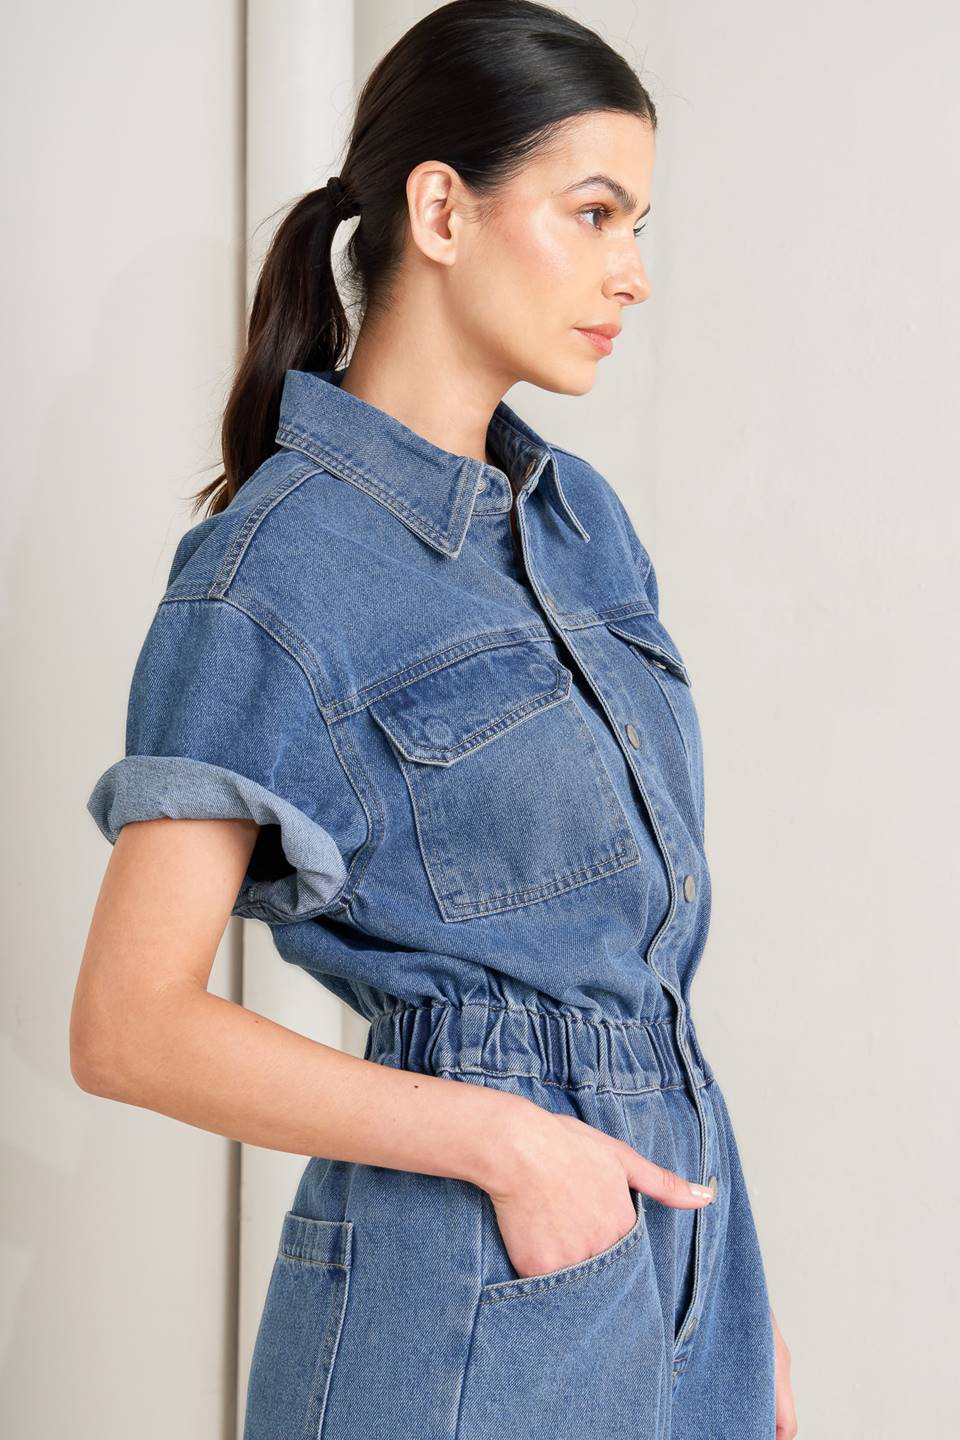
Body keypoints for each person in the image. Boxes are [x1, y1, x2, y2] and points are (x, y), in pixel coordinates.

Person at [71, 2, 797, 1436]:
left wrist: (726, 1312)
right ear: (442, 211)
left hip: (674, 1258)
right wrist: (511, 1144)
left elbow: (632, 991)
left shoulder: (584, 525)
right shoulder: (274, 571)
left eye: (637, 223)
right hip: (462, 1284)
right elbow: (129, 1024)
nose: (632, 273)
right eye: (593, 215)